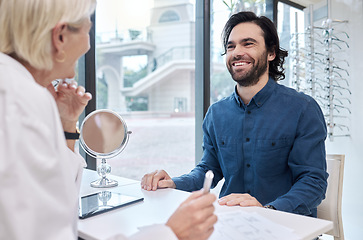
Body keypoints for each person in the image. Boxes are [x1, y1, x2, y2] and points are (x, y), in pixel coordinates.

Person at [0, 0, 217, 240]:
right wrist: (172, 233)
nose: (89, 42)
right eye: (87, 27)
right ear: (60, 36)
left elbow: (53, 204)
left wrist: (66, 125)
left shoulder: (17, 93)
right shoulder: (22, 103)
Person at [141, 11, 328, 217]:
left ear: (271, 53)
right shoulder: (216, 113)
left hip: (284, 225)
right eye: (231, 46)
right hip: (230, 223)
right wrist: (173, 183)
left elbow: (313, 182)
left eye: (248, 44)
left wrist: (268, 210)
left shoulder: (303, 109)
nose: (237, 52)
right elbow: (208, 169)